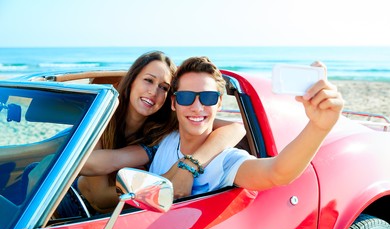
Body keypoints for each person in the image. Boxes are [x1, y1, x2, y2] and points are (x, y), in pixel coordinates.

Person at [56, 51, 245, 216]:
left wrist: (188, 165)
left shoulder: (166, 129)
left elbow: (237, 128)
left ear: (170, 97)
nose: (153, 92)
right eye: (148, 80)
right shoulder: (104, 116)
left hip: (104, 214)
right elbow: (97, 194)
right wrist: (167, 175)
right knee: (37, 164)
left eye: (163, 87)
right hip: (68, 198)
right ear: (131, 81)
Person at [149, 56, 344, 198]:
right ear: (174, 103)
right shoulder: (167, 141)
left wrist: (319, 127)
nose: (197, 107)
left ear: (219, 104)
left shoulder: (226, 161)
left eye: (208, 98)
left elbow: (277, 172)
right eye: (186, 97)